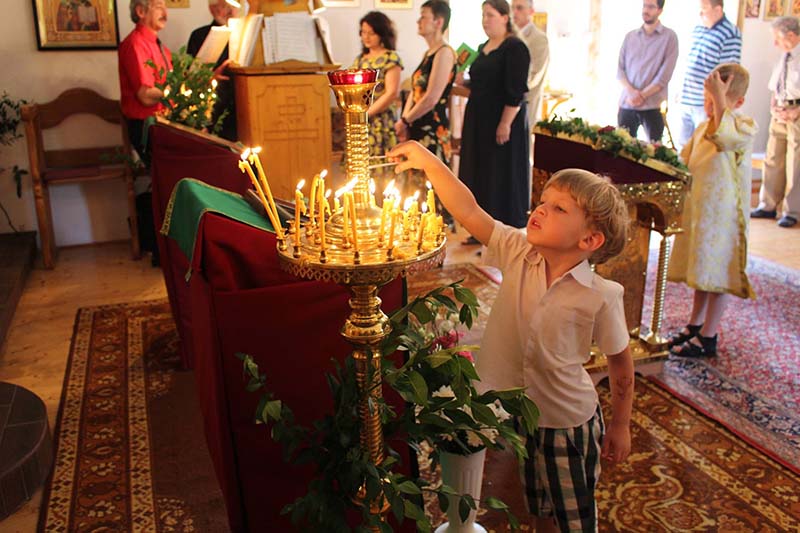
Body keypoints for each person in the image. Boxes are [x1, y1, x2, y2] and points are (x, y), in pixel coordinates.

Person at [388, 141, 634, 533]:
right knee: (538, 505)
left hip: (568, 422)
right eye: (543, 201)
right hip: (523, 415)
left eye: (559, 209)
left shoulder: (601, 296)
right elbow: (468, 210)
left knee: (574, 517)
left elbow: (621, 361)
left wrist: (620, 424)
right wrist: (430, 163)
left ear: (589, 240)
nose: (540, 209)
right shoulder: (519, 251)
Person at [667, 63, 757, 358]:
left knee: (718, 276)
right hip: (701, 217)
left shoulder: (743, 127)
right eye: (707, 99)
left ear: (738, 102)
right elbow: (685, 159)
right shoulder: (704, 126)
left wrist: (721, 101)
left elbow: (725, 138)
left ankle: (709, 334)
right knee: (703, 273)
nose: (709, 106)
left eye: (715, 100)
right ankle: (695, 323)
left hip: (725, 220)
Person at [459, 0, 531, 243]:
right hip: (479, 119)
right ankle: (481, 230)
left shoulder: (514, 47)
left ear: (504, 17)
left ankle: (502, 236)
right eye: (483, 15)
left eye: (490, 15)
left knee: (499, 174)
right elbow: (480, 84)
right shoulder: (482, 47)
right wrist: (459, 80)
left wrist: (505, 123)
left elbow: (516, 90)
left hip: (501, 120)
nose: (485, 20)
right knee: (479, 173)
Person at [394, 0, 456, 169]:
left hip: (433, 128)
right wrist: (404, 121)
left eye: (423, 17)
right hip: (417, 123)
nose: (418, 21)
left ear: (439, 22)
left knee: (431, 185)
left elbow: (431, 97)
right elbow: (415, 92)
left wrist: (406, 121)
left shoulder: (444, 53)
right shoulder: (428, 53)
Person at [752, 16, 800, 228]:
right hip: (779, 111)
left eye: (777, 38)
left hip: (796, 112)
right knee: (773, 159)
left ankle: (792, 210)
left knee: (794, 164)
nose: (774, 43)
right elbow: (775, 85)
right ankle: (768, 204)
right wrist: (774, 107)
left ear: (791, 35)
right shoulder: (785, 56)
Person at [677, 0, 741, 149]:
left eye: (704, 9)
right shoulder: (699, 29)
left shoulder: (731, 33)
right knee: (683, 148)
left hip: (704, 102)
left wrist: (714, 102)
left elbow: (727, 72)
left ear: (717, 10)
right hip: (687, 97)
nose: (701, 13)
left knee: (703, 147)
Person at [616, 0, 678, 143]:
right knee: (621, 149)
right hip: (627, 103)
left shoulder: (669, 37)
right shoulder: (630, 36)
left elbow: (664, 76)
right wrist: (631, 92)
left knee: (654, 151)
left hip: (653, 105)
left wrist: (642, 95)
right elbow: (620, 70)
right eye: (644, 6)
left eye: (651, 7)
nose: (646, 10)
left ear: (660, 10)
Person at [118, 0, 171, 166]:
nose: (165, 12)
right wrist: (176, 92)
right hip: (146, 127)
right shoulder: (135, 44)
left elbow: (170, 82)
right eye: (158, 6)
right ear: (141, 11)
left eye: (165, 6)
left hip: (162, 123)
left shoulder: (158, 45)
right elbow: (145, 96)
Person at [351, 11, 403, 158]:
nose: (366, 37)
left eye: (371, 33)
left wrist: (368, 113)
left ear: (382, 34)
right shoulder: (360, 59)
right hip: (361, 118)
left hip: (381, 120)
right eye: (363, 32)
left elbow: (392, 93)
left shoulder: (390, 58)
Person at [187, 0, 238, 141]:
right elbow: (192, 80)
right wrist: (211, 77)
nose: (230, 11)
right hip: (214, 110)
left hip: (243, 105)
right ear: (212, 9)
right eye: (224, 6)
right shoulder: (199, 36)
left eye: (233, 6)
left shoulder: (244, 34)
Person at [511, 0, 549, 127]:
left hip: (524, 103)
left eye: (519, 8)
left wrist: (509, 89)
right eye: (513, 8)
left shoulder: (538, 38)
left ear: (531, 11)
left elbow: (534, 75)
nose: (514, 12)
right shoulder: (507, 36)